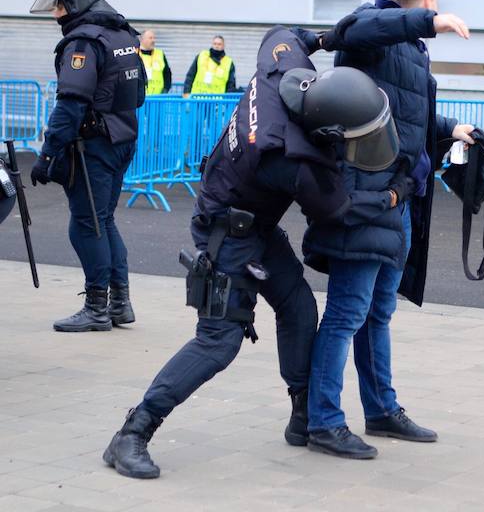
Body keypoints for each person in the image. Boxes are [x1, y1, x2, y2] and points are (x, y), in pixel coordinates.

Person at [102, 25, 398, 479]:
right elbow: (340, 209)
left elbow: (282, 34)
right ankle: (133, 431)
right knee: (219, 342)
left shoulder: (281, 71)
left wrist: (324, 39)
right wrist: (398, 194)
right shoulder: (290, 160)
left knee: (298, 307)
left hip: (252, 224)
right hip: (228, 235)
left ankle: (304, 418)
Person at [302, 0, 476, 460]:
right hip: (364, 198)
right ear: (426, 2)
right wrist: (430, 24)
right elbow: (353, 32)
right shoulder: (370, 30)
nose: (437, 11)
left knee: (378, 313)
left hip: (397, 200)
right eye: (434, 6)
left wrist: (451, 128)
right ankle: (324, 422)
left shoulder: (410, 53)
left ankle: (381, 411)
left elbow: (404, 114)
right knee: (346, 314)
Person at [28, 0, 145, 332]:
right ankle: (120, 304)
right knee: (104, 221)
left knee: (86, 226)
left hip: (93, 147)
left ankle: (97, 307)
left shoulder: (83, 43)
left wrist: (47, 155)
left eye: (60, 6)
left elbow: (71, 104)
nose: (55, 13)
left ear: (76, 3)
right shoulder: (121, 33)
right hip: (121, 139)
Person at [138, 30, 172, 95]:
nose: (153, 40)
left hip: (158, 99)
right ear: (142, 39)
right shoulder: (135, 53)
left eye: (154, 38)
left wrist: (165, 90)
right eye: (150, 38)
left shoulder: (160, 54)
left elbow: (167, 74)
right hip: (140, 99)